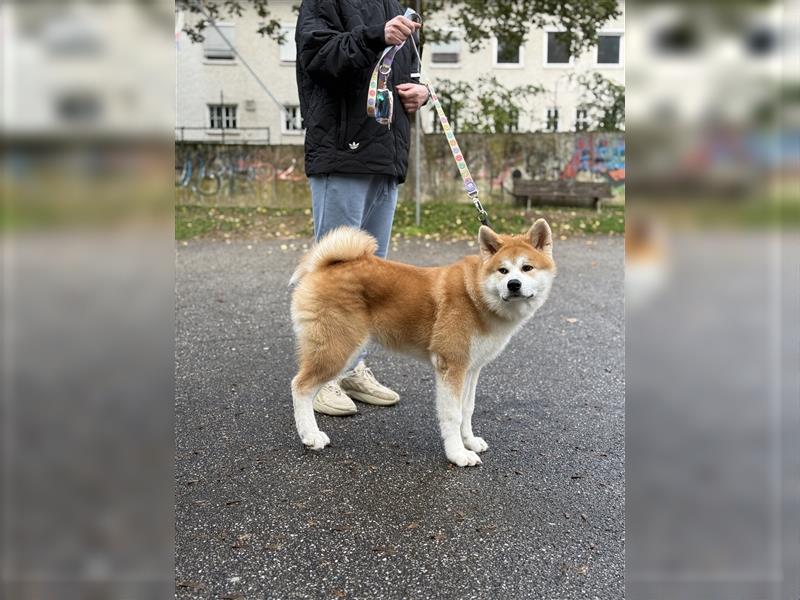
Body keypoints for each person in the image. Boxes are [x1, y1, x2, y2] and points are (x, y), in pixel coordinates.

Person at [295, 1, 430, 416]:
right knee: (337, 275)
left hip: (386, 156)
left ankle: (351, 365)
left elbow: (408, 72)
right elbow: (318, 57)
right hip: (341, 151)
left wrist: (420, 93)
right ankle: (322, 377)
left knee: (373, 276)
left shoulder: (401, 4)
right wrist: (375, 35)